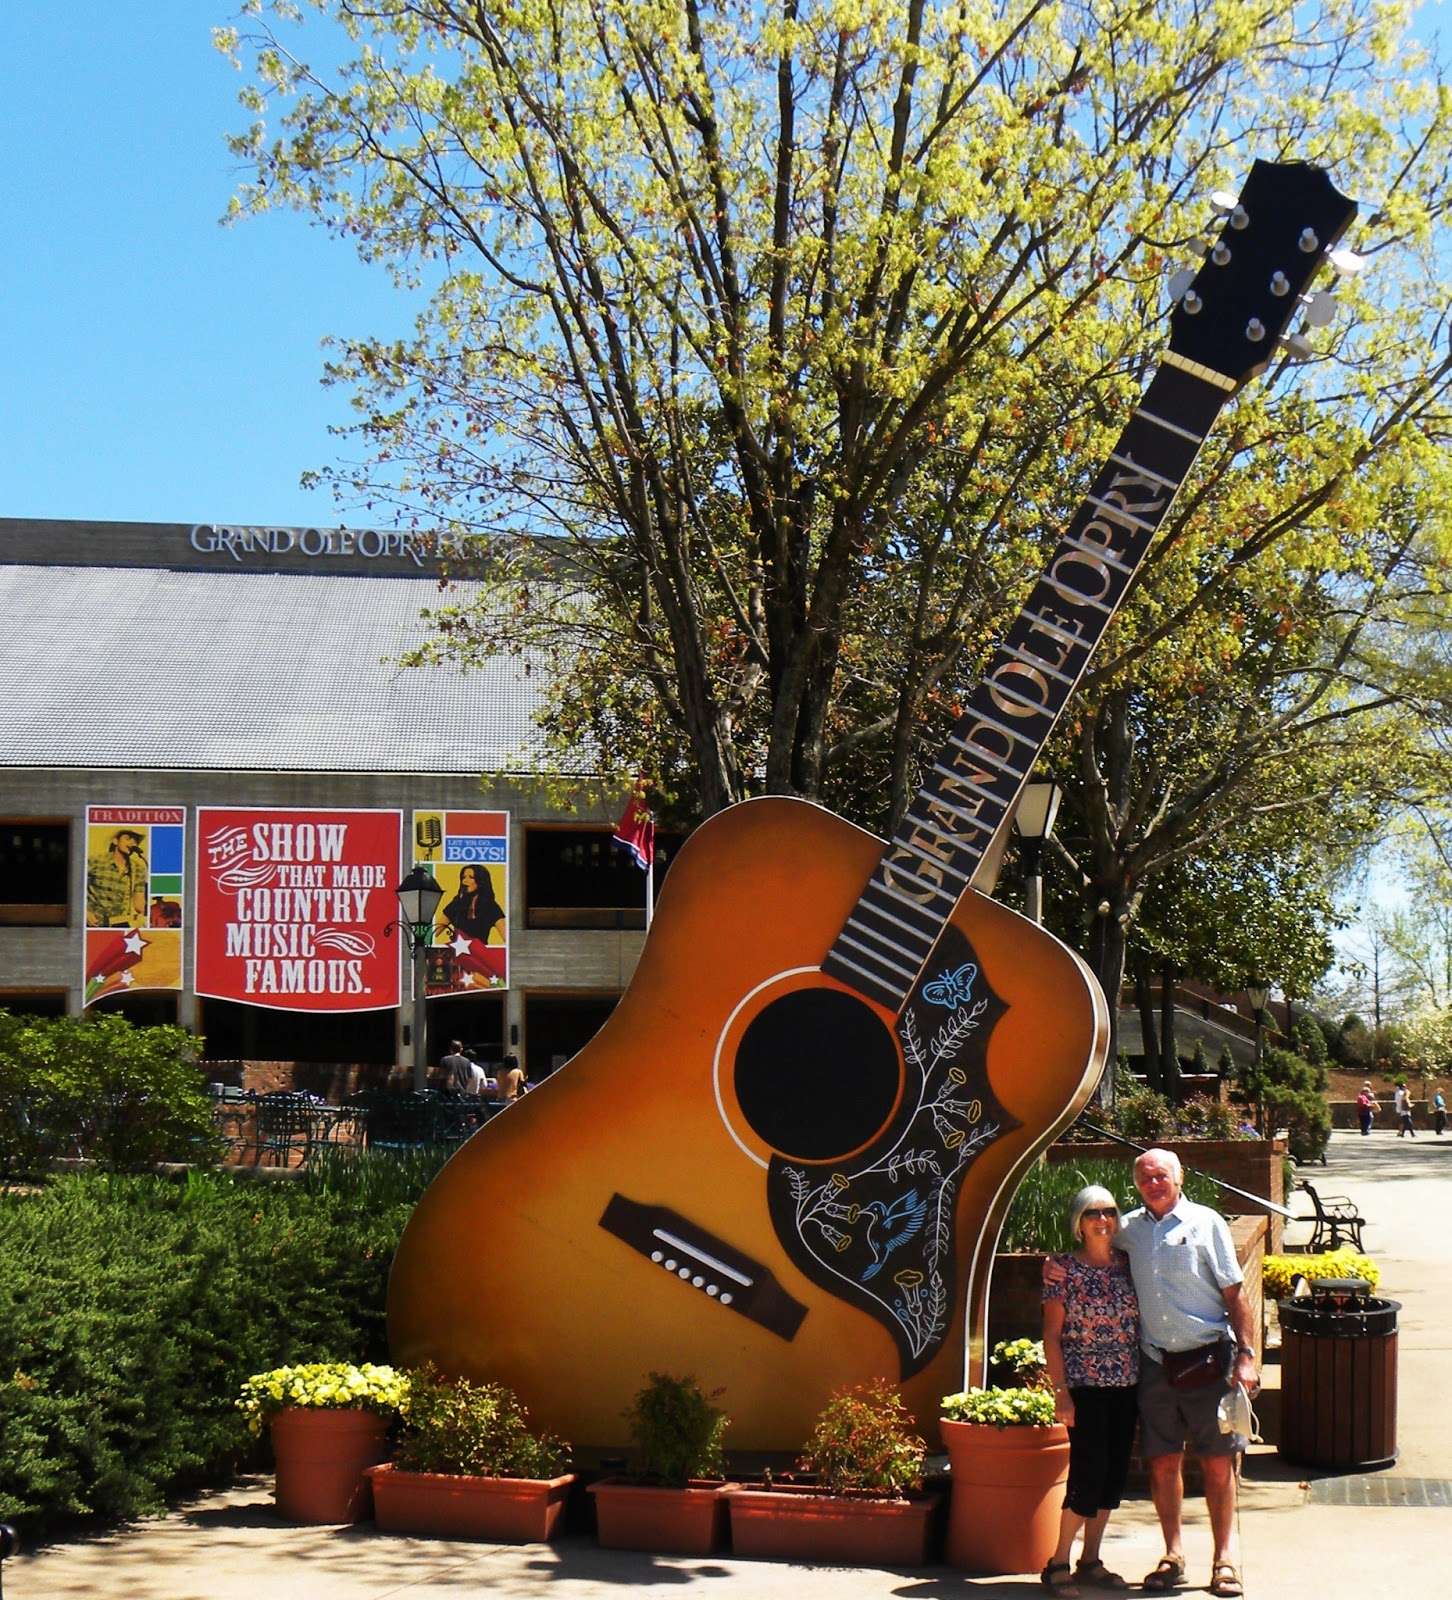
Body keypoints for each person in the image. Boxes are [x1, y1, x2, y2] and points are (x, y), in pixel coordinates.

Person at [1119, 1149, 1257, 1598]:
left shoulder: (1207, 1223)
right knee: (1162, 1462)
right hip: (1156, 1365)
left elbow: (1236, 1296)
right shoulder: (1130, 1231)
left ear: (1179, 1179)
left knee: (1218, 1464)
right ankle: (1173, 1554)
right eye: (1144, 1178)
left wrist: (1248, 1356)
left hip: (1209, 1363)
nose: (1152, 1183)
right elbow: (1094, 1250)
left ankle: (1224, 1559)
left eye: (1160, 1175)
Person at [1039, 1185, 1140, 1595]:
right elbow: (1051, 1335)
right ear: (1078, 1223)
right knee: (1087, 1470)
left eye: (1110, 1212)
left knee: (1114, 1475)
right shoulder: (1063, 1270)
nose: (1103, 1220)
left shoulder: (1128, 1264)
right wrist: (1061, 1391)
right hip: (1085, 1386)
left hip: (1127, 1383)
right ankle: (1058, 1561)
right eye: (1093, 1213)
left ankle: (1090, 1560)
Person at [86, 827, 148, 927]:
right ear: (115, 841)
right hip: (93, 922)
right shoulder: (95, 861)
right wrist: (84, 912)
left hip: (119, 924)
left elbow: (139, 904)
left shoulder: (138, 868)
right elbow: (76, 889)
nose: (132, 842)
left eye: (135, 840)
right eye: (127, 838)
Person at [441, 864, 506, 945]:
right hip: (458, 954)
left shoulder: (490, 907)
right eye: (463, 877)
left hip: (480, 955)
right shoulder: (456, 905)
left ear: (481, 881)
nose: (465, 881)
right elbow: (433, 931)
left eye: (471, 877)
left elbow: (507, 937)